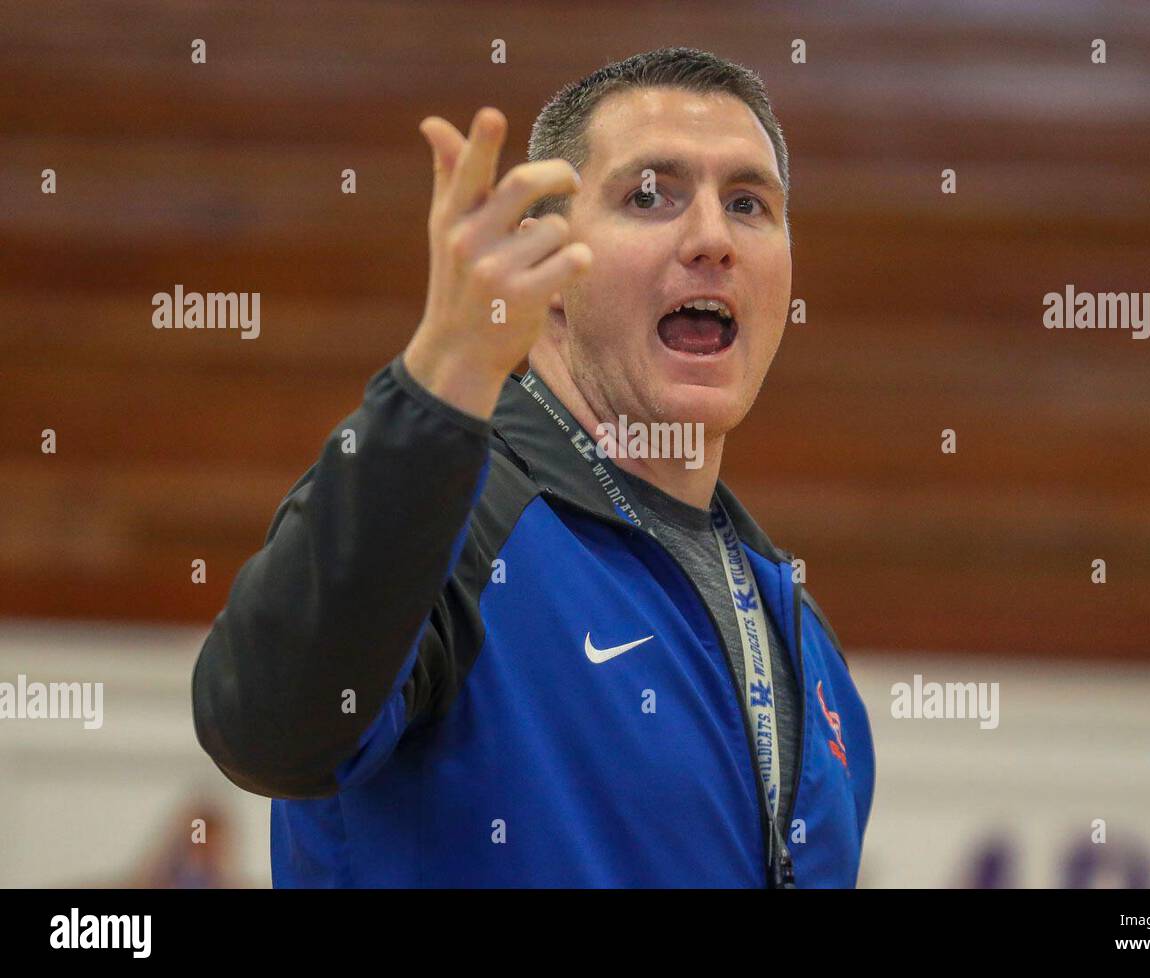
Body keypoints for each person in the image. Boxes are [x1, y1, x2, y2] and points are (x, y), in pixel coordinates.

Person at [192, 46, 874, 888]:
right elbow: (262, 727)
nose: (712, 238)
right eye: (651, 195)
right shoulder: (450, 515)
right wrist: (440, 380)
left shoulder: (803, 644)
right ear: (545, 266)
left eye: (748, 203)